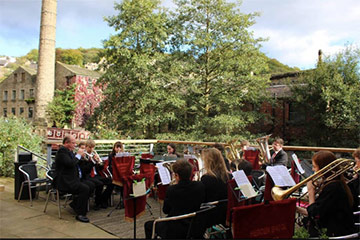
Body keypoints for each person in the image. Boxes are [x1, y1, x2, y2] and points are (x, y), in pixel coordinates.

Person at [296, 151, 355, 237]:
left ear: (323, 168)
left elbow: (315, 214)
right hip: (335, 227)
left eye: (315, 166)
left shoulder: (333, 187)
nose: (313, 169)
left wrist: (311, 192)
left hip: (335, 232)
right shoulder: (336, 182)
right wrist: (297, 209)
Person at [144, 160, 205, 239]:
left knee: (148, 225)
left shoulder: (171, 190)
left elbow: (166, 210)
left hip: (175, 228)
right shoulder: (200, 185)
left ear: (177, 175)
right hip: (195, 225)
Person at [54, 135, 90, 223]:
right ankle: (80, 214)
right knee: (85, 189)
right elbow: (70, 163)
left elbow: (75, 163)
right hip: (65, 182)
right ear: (66, 143)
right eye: (73, 143)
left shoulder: (69, 152)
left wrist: (84, 159)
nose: (75, 145)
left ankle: (75, 204)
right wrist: (78, 155)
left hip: (72, 179)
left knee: (90, 185)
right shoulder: (62, 152)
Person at [200, 148, 231, 228]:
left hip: (212, 215)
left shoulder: (206, 178)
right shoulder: (229, 176)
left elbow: (203, 200)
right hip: (228, 213)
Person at [83, 139, 114, 209]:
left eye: (93, 147)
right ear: (86, 147)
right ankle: (97, 202)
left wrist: (98, 162)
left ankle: (103, 199)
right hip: (88, 176)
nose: (91, 149)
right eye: (90, 147)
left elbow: (100, 168)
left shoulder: (94, 154)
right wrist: (91, 161)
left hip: (96, 175)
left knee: (111, 182)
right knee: (99, 184)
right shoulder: (84, 155)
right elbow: (86, 170)